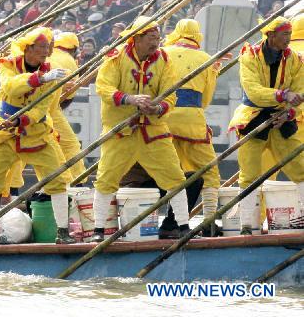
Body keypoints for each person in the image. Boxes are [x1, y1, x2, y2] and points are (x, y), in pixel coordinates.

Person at [91, 16, 190, 242]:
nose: (155, 42)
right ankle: (98, 230)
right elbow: (103, 88)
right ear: (137, 38)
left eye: (157, 37)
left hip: (153, 131)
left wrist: (158, 108)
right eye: (150, 38)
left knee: (174, 176)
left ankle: (184, 226)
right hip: (121, 131)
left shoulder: (163, 59)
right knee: (106, 178)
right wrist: (129, 99)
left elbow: (171, 94)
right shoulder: (116, 58)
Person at [0, 27, 74, 246]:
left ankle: (63, 231)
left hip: (36, 134)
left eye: (48, 47)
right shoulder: (8, 64)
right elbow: (11, 89)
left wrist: (22, 120)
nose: (46, 51)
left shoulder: (54, 73)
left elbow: (43, 109)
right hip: (4, 132)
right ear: (28, 48)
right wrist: (39, 79)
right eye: (41, 47)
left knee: (57, 181)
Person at [229, 17, 304, 235]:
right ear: (270, 36)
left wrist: (290, 111)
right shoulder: (249, 55)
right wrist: (282, 95)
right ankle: (248, 226)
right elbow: (253, 90)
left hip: (282, 119)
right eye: (283, 35)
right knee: (250, 173)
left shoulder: (295, 59)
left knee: (300, 167)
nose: (287, 39)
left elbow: (299, 92)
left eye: (290, 34)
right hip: (254, 117)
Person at [162, 19, 222, 236]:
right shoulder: (207, 59)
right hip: (192, 123)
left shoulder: (162, 53)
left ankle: (170, 223)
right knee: (209, 172)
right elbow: (205, 100)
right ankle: (209, 222)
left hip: (162, 119)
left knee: (169, 172)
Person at [47, 32, 86, 183]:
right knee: (70, 144)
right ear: (74, 49)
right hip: (49, 107)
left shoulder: (49, 54)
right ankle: (77, 181)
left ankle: (9, 190)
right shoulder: (69, 60)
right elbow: (69, 95)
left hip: (30, 105)